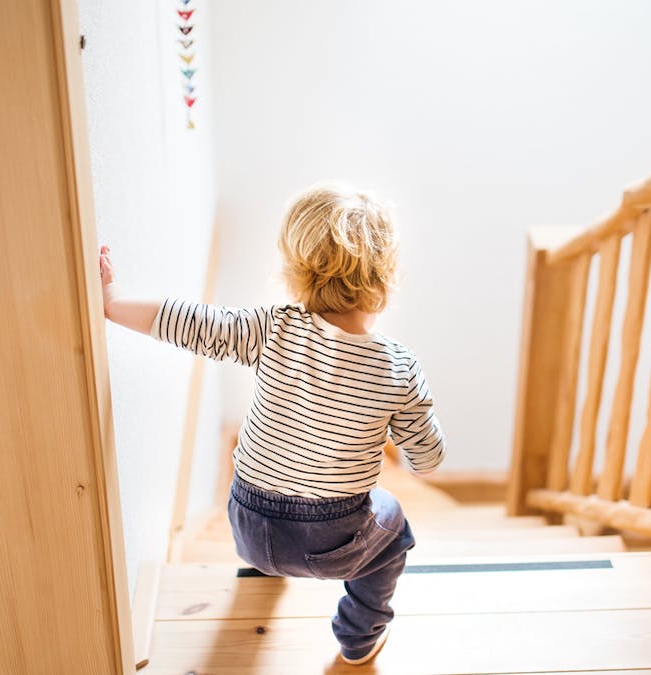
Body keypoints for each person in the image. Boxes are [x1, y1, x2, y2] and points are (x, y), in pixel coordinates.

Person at [99, 182, 445, 665]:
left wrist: (113, 303)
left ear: (297, 269)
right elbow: (425, 462)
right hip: (331, 544)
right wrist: (407, 432)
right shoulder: (398, 368)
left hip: (246, 524)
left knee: (271, 487)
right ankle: (359, 636)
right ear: (386, 276)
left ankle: (265, 571)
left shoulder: (272, 326)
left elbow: (192, 321)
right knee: (393, 527)